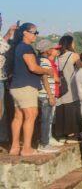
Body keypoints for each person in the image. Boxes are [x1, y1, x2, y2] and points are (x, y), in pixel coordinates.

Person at [8, 23, 54, 156]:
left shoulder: (18, 47)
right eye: (34, 32)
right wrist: (48, 71)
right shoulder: (26, 48)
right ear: (25, 33)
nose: (36, 35)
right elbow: (33, 67)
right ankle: (26, 148)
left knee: (18, 116)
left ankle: (15, 147)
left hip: (16, 87)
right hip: (26, 87)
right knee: (31, 115)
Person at [54, 35, 81, 144]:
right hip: (71, 89)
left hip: (59, 89)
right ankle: (72, 135)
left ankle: (61, 136)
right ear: (70, 44)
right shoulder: (73, 55)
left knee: (61, 110)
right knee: (72, 111)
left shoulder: (57, 57)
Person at [36, 39, 61, 153]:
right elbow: (45, 78)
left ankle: (44, 141)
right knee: (46, 120)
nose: (53, 50)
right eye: (51, 48)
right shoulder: (45, 61)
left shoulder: (39, 60)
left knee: (45, 119)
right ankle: (44, 144)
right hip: (46, 94)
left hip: (43, 94)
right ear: (47, 50)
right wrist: (50, 96)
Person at [0, 22, 18, 144]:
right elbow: (2, 47)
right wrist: (10, 33)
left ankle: (2, 137)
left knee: (2, 110)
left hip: (3, 78)